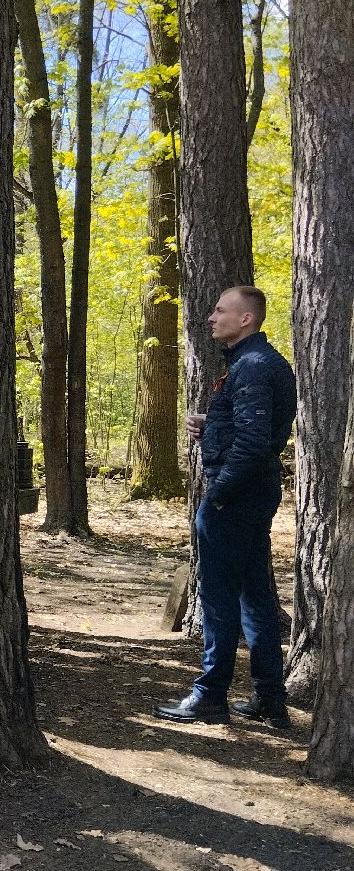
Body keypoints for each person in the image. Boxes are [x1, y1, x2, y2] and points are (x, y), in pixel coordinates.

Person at [155, 286, 296, 729]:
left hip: (235, 498)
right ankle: (270, 697)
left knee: (218, 599)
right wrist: (211, 422)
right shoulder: (257, 363)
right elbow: (255, 427)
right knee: (255, 596)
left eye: (220, 311)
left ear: (246, 319)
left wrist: (217, 495)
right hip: (252, 495)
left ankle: (210, 696)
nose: (211, 317)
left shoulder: (253, 366)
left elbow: (255, 444)